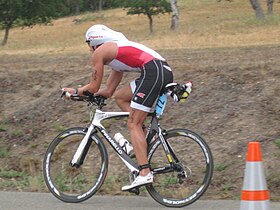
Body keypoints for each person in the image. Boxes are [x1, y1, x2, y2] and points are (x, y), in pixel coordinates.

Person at [62, 24, 173, 191]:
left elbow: (92, 87)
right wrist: (92, 96)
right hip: (160, 70)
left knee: (133, 123)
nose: (90, 50)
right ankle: (139, 143)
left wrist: (75, 91)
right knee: (121, 97)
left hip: (153, 72)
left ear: (94, 41)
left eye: (88, 45)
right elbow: (108, 92)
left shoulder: (101, 52)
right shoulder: (116, 57)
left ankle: (144, 173)